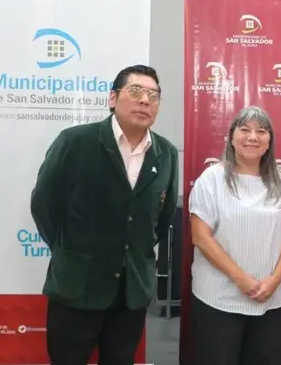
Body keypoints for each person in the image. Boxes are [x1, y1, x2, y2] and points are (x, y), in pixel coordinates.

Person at [30, 64, 179, 364]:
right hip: (77, 286)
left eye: (153, 95)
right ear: (113, 98)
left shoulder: (166, 153)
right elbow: (44, 204)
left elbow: (162, 220)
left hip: (131, 293)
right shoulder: (75, 142)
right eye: (135, 91)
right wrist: (70, 252)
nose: (145, 100)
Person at [188, 106, 281, 365]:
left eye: (261, 131)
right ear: (231, 137)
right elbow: (201, 236)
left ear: (269, 141)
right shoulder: (212, 179)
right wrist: (240, 278)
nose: (252, 137)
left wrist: (275, 279)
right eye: (245, 130)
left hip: (270, 298)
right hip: (218, 297)